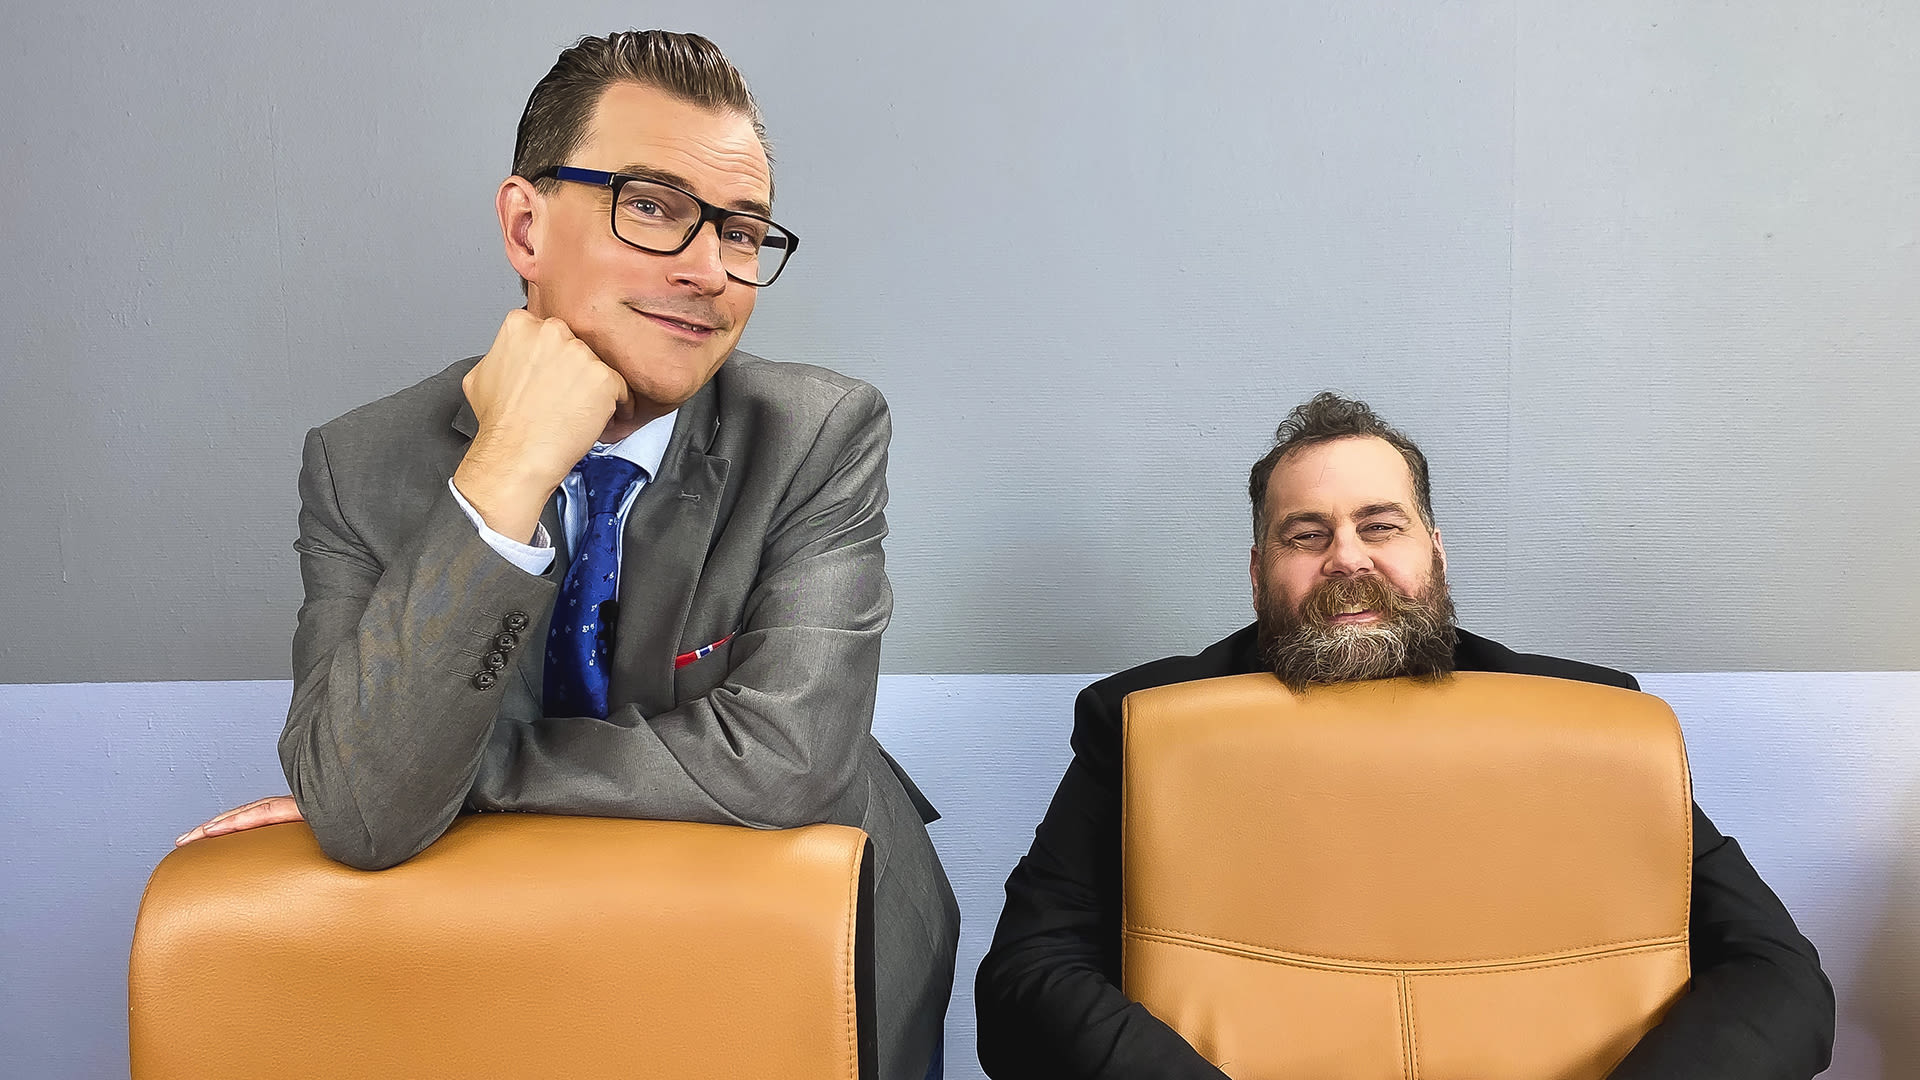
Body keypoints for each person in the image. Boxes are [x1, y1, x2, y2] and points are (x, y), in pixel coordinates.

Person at [174, 31, 956, 1080]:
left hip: (802, 950)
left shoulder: (819, 433)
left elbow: (790, 764)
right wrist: (506, 470)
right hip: (511, 964)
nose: (709, 270)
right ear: (526, 225)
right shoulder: (360, 465)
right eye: (652, 206)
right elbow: (362, 815)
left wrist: (459, 776)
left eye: (740, 231)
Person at [974, 392, 1834, 1079]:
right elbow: (1025, 984)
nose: (1347, 558)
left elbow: (1779, 978)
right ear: (1258, 572)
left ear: (1436, 551)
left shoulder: (1588, 723)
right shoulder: (1144, 725)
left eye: (1380, 525)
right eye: (1306, 535)